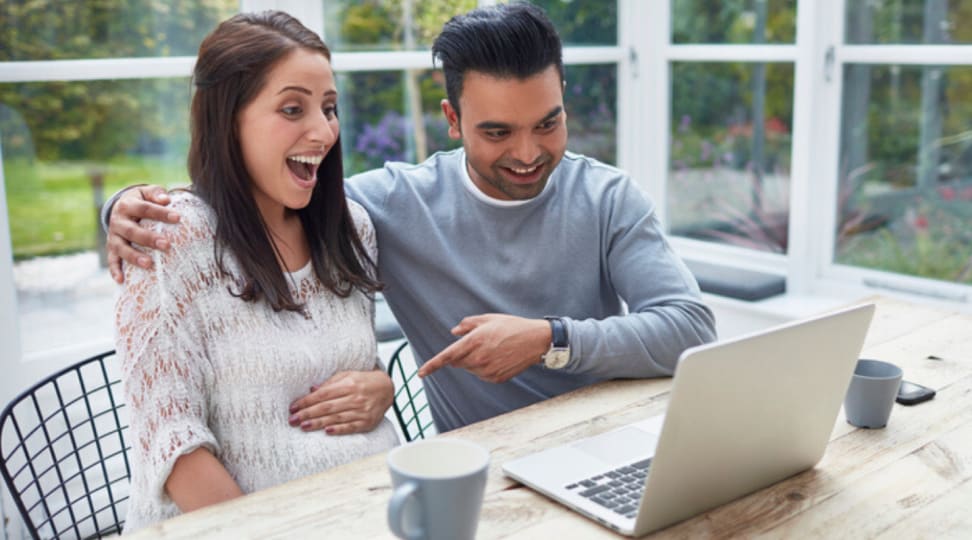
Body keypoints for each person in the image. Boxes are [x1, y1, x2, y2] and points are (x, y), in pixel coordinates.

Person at [105, 3, 717, 434]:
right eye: (498, 132)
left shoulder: (608, 198)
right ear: (452, 121)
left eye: (548, 124)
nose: (528, 153)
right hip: (486, 470)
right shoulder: (391, 206)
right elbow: (253, 189)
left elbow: (689, 328)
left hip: (612, 438)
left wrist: (549, 340)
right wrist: (124, 204)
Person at [114, 11, 399, 532]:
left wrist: (383, 387)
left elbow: (349, 367)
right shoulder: (170, 243)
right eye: (293, 108)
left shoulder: (350, 228)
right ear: (228, 118)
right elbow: (174, 447)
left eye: (329, 108)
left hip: (370, 514)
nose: (323, 131)